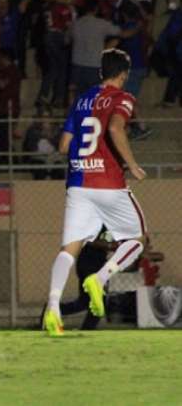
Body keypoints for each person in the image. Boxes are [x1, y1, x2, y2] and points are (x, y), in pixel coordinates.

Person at [43, 49, 148, 337]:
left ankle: (52, 306)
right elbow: (115, 128)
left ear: (101, 72)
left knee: (69, 250)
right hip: (108, 183)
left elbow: (64, 145)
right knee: (137, 239)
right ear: (124, 74)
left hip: (78, 183)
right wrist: (132, 165)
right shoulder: (123, 98)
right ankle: (100, 279)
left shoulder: (81, 100)